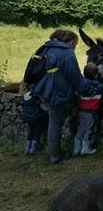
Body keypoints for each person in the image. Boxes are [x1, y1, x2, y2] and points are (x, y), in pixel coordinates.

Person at [32, 30, 82, 164]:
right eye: (75, 44)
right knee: (55, 124)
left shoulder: (45, 49)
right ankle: (54, 156)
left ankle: (52, 151)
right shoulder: (67, 53)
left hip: (44, 91)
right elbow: (75, 77)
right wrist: (89, 87)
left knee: (53, 122)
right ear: (71, 41)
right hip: (59, 93)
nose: (75, 47)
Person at [74, 63, 103, 156]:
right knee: (89, 130)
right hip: (92, 111)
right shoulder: (98, 86)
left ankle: (76, 149)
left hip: (82, 110)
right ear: (96, 75)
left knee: (80, 129)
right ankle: (86, 148)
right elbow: (101, 96)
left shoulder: (80, 84)